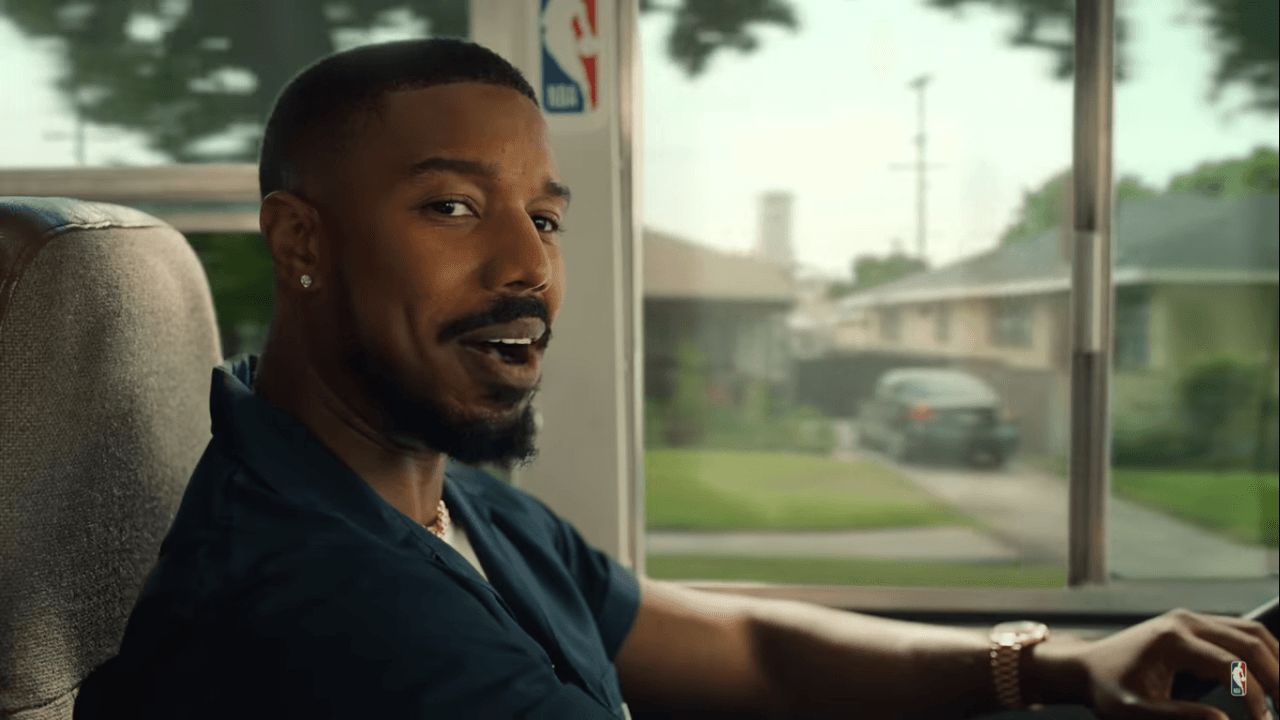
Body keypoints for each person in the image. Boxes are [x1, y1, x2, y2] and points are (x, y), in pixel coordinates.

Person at [74, 38, 1278, 720]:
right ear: (302, 246)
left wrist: (1045, 665)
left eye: (543, 218)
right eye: (452, 207)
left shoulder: (430, 494)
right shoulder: (312, 604)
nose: (524, 266)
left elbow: (741, 646)